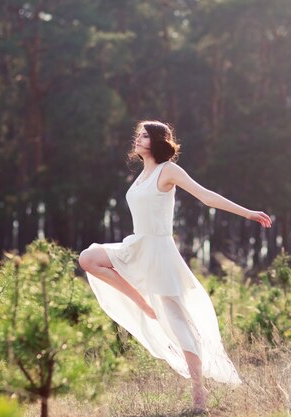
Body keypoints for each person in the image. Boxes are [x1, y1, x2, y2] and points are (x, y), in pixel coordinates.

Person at [78, 120, 272, 413]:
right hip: (137, 245)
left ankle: (199, 394)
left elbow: (205, 196)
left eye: (144, 136)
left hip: (158, 251)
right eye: (138, 135)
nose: (138, 139)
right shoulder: (142, 175)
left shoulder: (167, 170)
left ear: (157, 141)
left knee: (180, 325)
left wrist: (247, 213)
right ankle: (142, 303)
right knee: (88, 258)